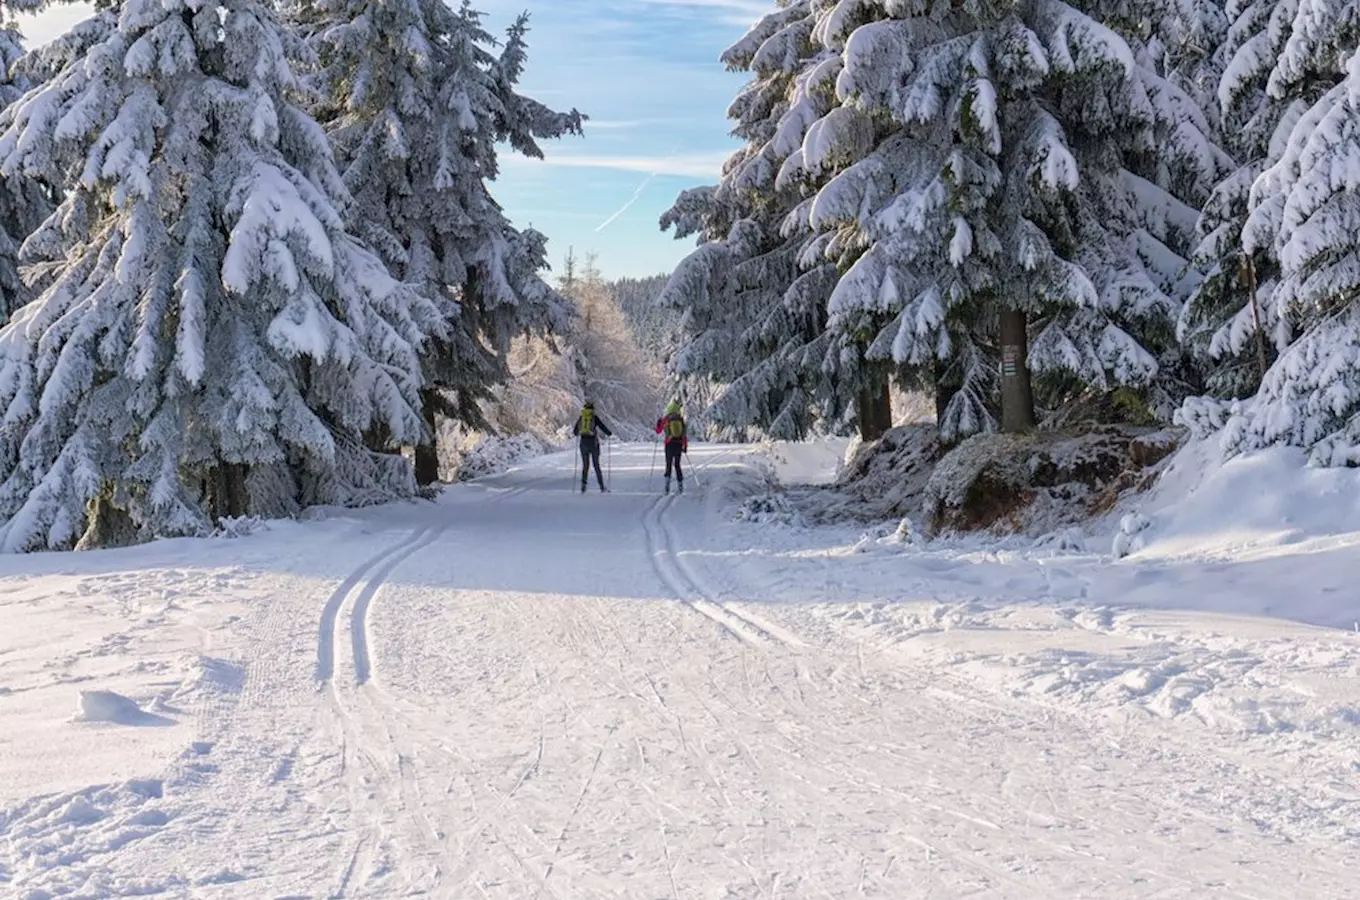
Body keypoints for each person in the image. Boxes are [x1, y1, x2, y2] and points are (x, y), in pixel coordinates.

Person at [572, 401, 613, 493]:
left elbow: (575, 432)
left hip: (583, 444)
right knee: (596, 466)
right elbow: (603, 427)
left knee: (585, 466)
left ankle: (583, 486)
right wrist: (609, 433)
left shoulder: (581, 418)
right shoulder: (594, 418)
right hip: (593, 444)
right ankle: (602, 487)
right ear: (592, 409)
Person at [654, 400, 688, 494]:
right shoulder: (680, 419)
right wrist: (685, 446)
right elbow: (684, 434)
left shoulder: (666, 419)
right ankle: (680, 485)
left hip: (669, 444)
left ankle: (667, 485)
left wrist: (658, 424)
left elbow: (658, 431)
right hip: (678, 444)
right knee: (677, 464)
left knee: (668, 464)